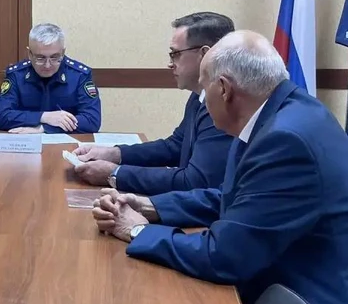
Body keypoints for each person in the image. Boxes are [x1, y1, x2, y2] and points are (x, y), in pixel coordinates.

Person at [91, 31, 348, 304]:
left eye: (204, 91)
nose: (201, 101)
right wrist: (151, 206)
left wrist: (136, 230)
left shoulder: (286, 139)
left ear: (225, 90)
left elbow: (224, 256)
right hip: (287, 303)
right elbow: (236, 198)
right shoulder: (282, 114)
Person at [73, 12, 234, 194]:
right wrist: (114, 153)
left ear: (204, 54)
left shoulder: (223, 104)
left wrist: (115, 174)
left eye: (175, 54)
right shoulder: (198, 95)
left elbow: (194, 181)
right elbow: (175, 146)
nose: (170, 64)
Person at [0, 23, 101, 134]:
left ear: (63, 53)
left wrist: (44, 129)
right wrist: (44, 117)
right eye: (40, 58)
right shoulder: (16, 75)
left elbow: (92, 120)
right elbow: (0, 116)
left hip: (68, 144)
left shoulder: (79, 75)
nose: (47, 65)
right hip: (25, 142)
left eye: (54, 57)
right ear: (30, 54)